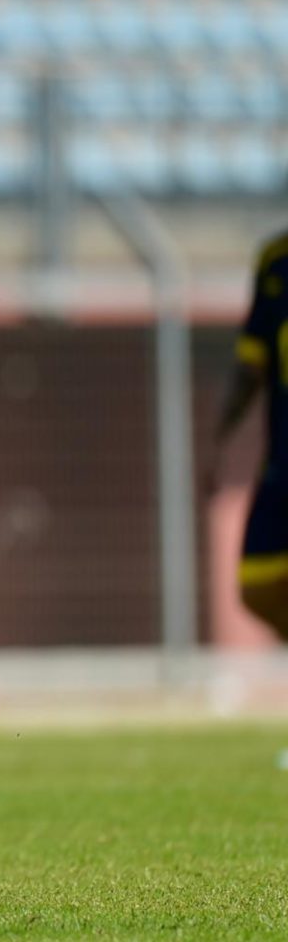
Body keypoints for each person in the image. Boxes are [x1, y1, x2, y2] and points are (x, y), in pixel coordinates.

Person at [212, 229, 288, 638]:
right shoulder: (277, 259)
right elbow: (250, 367)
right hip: (282, 463)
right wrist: (218, 442)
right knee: (259, 582)